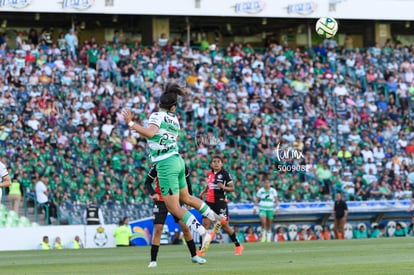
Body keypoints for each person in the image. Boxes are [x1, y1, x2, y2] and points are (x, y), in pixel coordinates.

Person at [122, 82, 224, 256]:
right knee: (187, 198)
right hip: (178, 159)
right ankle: (217, 218)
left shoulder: (157, 116)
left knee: (174, 207)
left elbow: (152, 133)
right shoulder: (174, 119)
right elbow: (162, 136)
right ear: (173, 107)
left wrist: (131, 123)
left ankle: (204, 233)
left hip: (165, 163)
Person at [144, 164, 206, 268]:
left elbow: (187, 182)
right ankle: (153, 261)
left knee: (185, 228)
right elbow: (147, 182)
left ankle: (194, 256)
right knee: (158, 229)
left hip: (175, 199)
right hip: (160, 200)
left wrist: (189, 200)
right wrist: (153, 193)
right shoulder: (158, 165)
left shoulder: (180, 164)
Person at [198, 155, 243, 256]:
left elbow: (232, 189)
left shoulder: (225, 174)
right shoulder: (210, 174)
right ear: (211, 164)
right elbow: (209, 185)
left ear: (222, 163)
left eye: (218, 161)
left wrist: (223, 187)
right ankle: (201, 249)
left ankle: (238, 245)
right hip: (209, 202)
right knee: (205, 224)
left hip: (220, 203)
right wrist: (202, 193)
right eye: (214, 161)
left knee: (225, 226)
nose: (216, 163)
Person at [253, 178, 279, 242]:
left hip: (270, 208)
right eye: (266, 183)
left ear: (270, 184)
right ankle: (263, 237)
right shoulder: (260, 190)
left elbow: (276, 200)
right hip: (262, 208)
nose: (267, 184)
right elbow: (256, 199)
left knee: (269, 224)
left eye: (268, 183)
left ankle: (269, 238)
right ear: (263, 183)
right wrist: (255, 208)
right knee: (263, 222)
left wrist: (277, 208)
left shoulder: (273, 190)